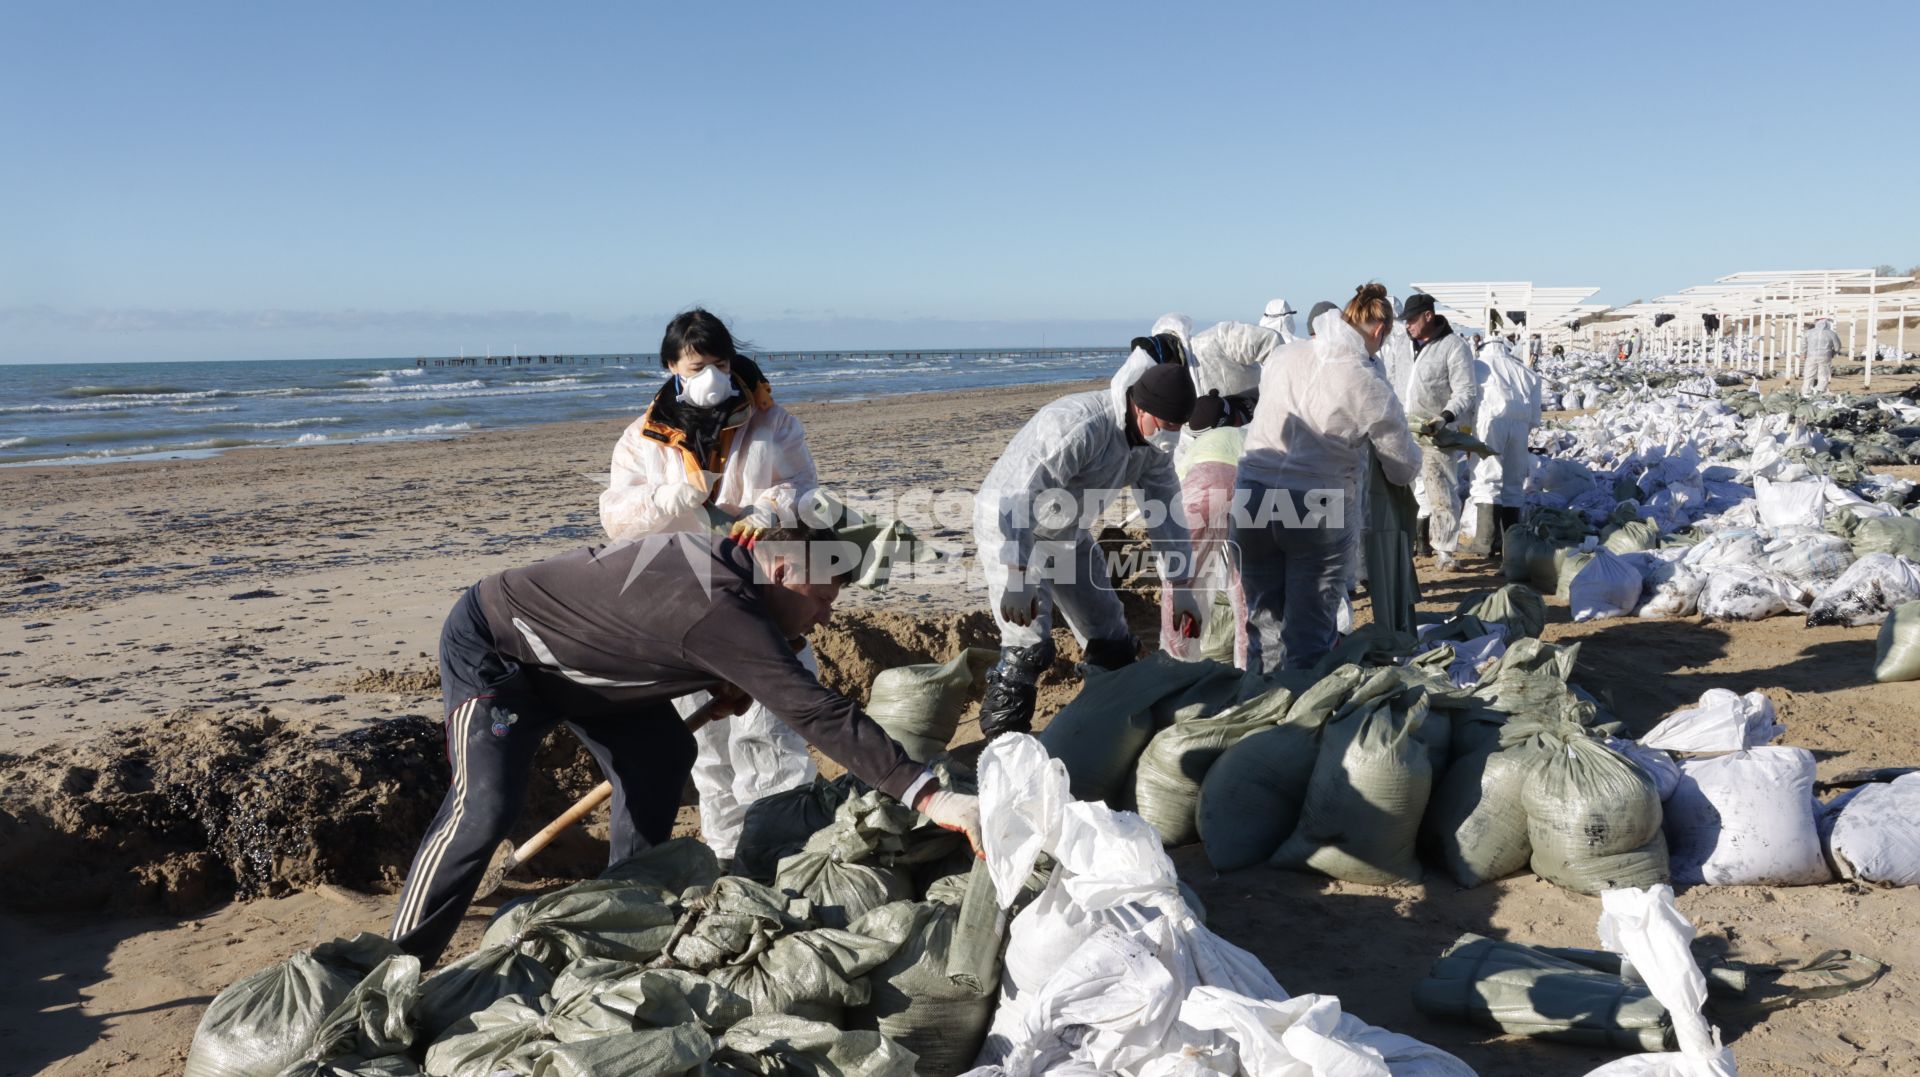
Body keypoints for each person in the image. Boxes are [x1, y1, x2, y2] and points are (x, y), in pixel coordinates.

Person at [388, 526, 982, 963]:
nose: (826, 617)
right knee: (485, 805)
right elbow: (813, 711)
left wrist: (716, 676)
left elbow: (661, 631)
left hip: (596, 673)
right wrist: (928, 796)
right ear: (781, 571)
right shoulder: (718, 605)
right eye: (822, 599)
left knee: (662, 757)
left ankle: (618, 907)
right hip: (503, 650)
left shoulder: (735, 575)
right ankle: (399, 959)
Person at [598, 309, 820, 864]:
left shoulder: (771, 421)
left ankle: (783, 849)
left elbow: (804, 486)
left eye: (719, 364)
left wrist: (771, 508)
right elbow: (616, 518)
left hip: (763, 590)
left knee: (770, 729)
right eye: (698, 366)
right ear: (672, 366)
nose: (712, 376)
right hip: (682, 600)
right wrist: (670, 498)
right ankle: (725, 853)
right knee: (707, 745)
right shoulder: (642, 437)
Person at [973, 345, 1200, 738]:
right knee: (1027, 646)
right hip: (1011, 525)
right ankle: (1003, 746)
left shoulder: (1152, 449)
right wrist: (1016, 573)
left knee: (1110, 637)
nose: (1171, 437)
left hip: (1066, 532)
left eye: (1179, 428)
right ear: (1141, 409)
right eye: (1166, 425)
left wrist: (1180, 585)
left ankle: (1111, 728)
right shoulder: (1078, 427)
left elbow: (1166, 512)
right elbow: (1017, 495)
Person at [1232, 284, 1420, 672]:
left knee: (1263, 621)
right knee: (1309, 632)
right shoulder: (1366, 381)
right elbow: (1402, 465)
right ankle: (1300, 719)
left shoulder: (1284, 356)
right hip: (1315, 504)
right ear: (1380, 331)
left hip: (1253, 493)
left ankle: (1259, 708)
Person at [1162, 389, 1251, 667]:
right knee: (1243, 587)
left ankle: (1176, 659)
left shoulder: (1192, 448)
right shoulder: (1246, 433)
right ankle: (1246, 667)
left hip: (1196, 492)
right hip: (1245, 487)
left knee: (1178, 581)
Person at [1400, 292, 1481, 569]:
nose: (1407, 325)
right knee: (1407, 487)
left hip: (1435, 431)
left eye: (1411, 319)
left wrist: (1445, 417)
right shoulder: (1405, 346)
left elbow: (1465, 390)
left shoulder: (1453, 347)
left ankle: (1445, 552)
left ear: (1428, 316)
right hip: (1404, 427)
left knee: (1441, 489)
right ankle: (1413, 542)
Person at [1467, 338, 1544, 554]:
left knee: (1486, 477)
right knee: (1513, 482)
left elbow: (1467, 399)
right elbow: (1536, 413)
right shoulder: (1523, 370)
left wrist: (1464, 432)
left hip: (1488, 423)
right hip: (1520, 425)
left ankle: (1485, 541)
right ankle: (1512, 544)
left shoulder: (1476, 366)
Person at [1802, 317, 1843, 395]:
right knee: (1823, 375)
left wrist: (1803, 353)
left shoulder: (1809, 332)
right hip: (1825, 356)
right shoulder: (1831, 333)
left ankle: (1806, 392)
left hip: (1811, 356)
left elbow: (1803, 344)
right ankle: (1820, 391)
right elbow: (1837, 346)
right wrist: (1833, 352)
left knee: (1809, 374)